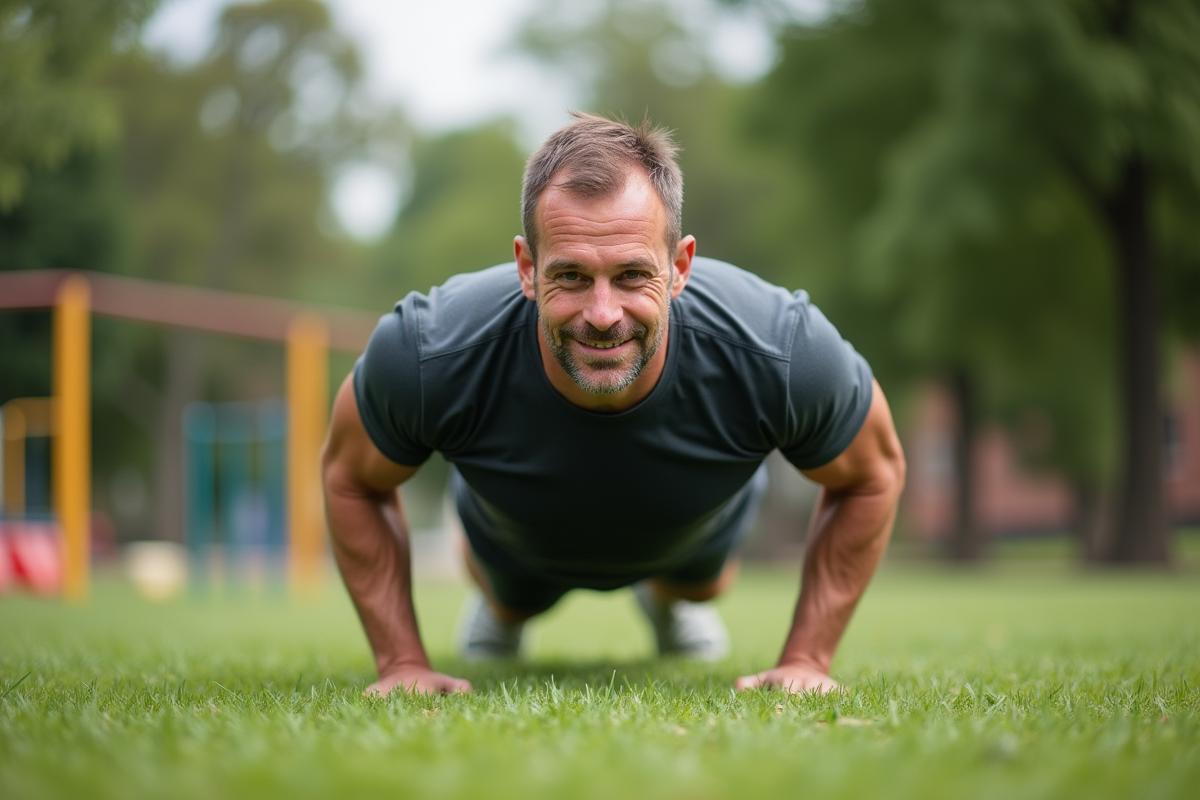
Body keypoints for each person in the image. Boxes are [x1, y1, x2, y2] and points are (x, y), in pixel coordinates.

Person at [321, 112, 906, 696]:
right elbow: (350, 476)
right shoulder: (428, 350)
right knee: (511, 594)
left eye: (631, 275)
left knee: (701, 585)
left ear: (680, 267)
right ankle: (500, 611)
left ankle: (670, 602)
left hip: (694, 533)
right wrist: (401, 663)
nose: (603, 314)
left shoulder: (782, 348)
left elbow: (873, 472)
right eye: (572, 276)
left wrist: (807, 658)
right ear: (527, 268)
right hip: (512, 538)